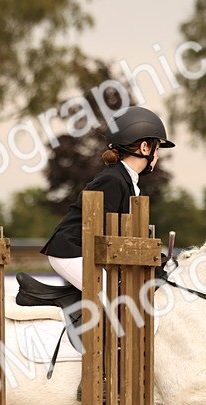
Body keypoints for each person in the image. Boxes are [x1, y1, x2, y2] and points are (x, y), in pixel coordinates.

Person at [39, 106, 175, 289]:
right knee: (112, 299)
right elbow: (106, 233)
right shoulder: (112, 180)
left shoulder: (127, 181)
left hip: (86, 251)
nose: (157, 156)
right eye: (156, 149)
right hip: (71, 252)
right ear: (144, 148)